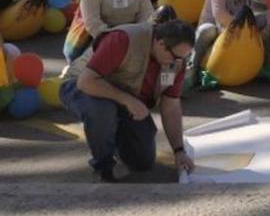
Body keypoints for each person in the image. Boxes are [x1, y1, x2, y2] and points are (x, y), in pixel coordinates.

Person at [59, 19, 196, 182]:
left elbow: (171, 106)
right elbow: (86, 82)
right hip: (81, 85)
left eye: (183, 58)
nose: (177, 63)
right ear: (161, 44)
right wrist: (126, 99)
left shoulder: (177, 62)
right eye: (175, 57)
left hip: (123, 97)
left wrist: (179, 151)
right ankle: (103, 168)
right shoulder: (123, 39)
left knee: (142, 161)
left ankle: (112, 135)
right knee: (102, 111)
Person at [193, 0, 270, 85]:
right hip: (219, 28)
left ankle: (268, 62)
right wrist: (239, 29)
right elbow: (220, 14)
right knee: (207, 30)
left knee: (265, 20)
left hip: (244, 27)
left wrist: (268, 27)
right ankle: (193, 68)